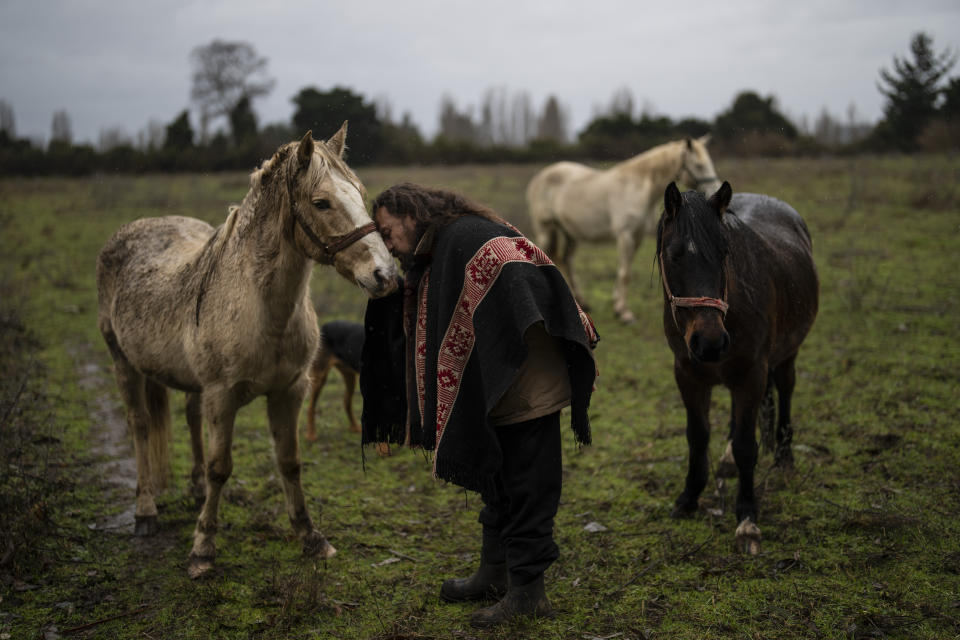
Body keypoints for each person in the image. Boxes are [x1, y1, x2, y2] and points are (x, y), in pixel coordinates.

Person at [360, 183, 598, 628]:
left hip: (524, 379)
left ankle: (528, 592)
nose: (389, 244)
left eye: (389, 231)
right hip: (502, 378)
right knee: (497, 477)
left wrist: (503, 341)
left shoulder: (466, 236)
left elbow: (522, 270)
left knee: (528, 484)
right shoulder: (444, 244)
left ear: (412, 213)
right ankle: (494, 572)